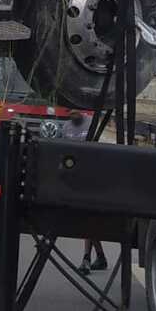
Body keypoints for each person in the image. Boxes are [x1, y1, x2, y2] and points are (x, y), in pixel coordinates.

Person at [62, 110, 108, 274]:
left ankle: (86, 259)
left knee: (86, 218)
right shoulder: (66, 128)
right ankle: (100, 256)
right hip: (76, 182)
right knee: (86, 219)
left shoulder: (91, 124)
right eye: (68, 110)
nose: (71, 112)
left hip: (93, 179)